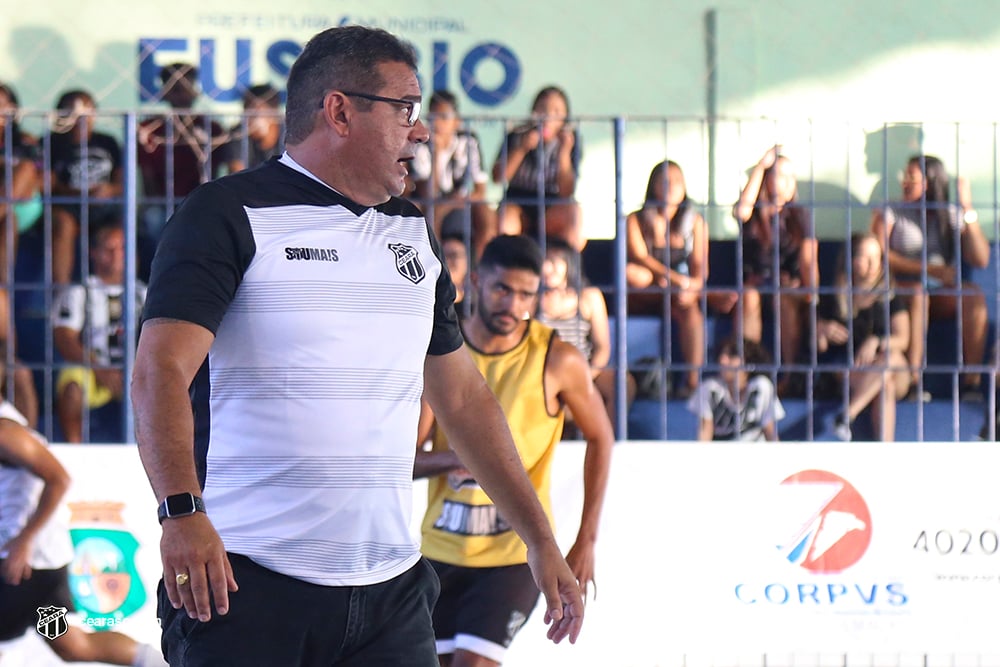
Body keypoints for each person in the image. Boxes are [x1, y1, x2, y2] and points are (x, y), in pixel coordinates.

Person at [130, 26, 584, 666]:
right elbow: (159, 371)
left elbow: (463, 397)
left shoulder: (410, 231)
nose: (420, 131)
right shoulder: (226, 212)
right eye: (406, 110)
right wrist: (179, 515)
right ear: (340, 111)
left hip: (391, 595)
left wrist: (540, 539)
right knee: (64, 636)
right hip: (244, 585)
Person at [414, 234, 613, 666]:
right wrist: (456, 458)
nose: (514, 305)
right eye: (504, 290)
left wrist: (586, 539)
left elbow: (602, 436)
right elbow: (404, 459)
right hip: (439, 551)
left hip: (514, 554)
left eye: (526, 294)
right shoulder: (441, 355)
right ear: (479, 280)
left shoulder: (556, 360)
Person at [0, 385, 166, 666]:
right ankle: (160, 662)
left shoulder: (6, 433)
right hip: (35, 569)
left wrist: (24, 540)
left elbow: (59, 479)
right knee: (70, 644)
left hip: (24, 568)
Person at [870, 154, 990, 401]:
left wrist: (967, 209)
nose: (904, 181)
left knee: (973, 294)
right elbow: (880, 253)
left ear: (930, 182)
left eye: (911, 177)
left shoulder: (949, 213)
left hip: (941, 292)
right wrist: (928, 269)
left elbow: (981, 259)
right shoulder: (891, 210)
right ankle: (915, 381)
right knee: (918, 294)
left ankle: (971, 382)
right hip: (901, 290)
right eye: (904, 176)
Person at [734, 145, 818, 398]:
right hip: (755, 285)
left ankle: (789, 375)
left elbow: (809, 261)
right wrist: (760, 166)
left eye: (791, 177)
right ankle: (749, 372)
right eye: (780, 175)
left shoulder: (800, 215)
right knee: (747, 296)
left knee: (784, 298)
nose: (787, 183)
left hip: (787, 287)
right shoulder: (753, 214)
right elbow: (741, 211)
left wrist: (810, 293)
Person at [625, 160, 715, 397]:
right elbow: (639, 257)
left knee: (691, 310)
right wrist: (673, 280)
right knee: (633, 274)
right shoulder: (635, 219)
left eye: (677, 181)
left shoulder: (695, 222)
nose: (671, 186)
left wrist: (685, 286)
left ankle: (693, 381)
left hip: (678, 293)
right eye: (664, 181)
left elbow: (700, 272)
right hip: (649, 290)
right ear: (653, 185)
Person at [53, 224, 145, 443]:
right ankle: (75, 454)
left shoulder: (144, 293)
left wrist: (134, 369)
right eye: (108, 249)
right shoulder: (79, 291)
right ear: (93, 252)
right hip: (93, 370)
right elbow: (64, 338)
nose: (116, 255)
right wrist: (98, 368)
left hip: (136, 371)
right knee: (72, 387)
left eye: (122, 248)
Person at [816, 233, 912, 442]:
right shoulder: (833, 297)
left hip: (894, 369)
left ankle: (848, 414)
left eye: (876, 257)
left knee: (891, 358)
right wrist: (821, 329)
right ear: (850, 259)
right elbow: (819, 347)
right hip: (852, 371)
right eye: (864, 257)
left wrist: (876, 341)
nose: (871, 264)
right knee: (885, 385)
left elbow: (903, 339)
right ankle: (885, 449)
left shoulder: (890, 297)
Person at [538, 236, 635, 431]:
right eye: (544, 261)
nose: (549, 268)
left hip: (586, 370)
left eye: (555, 261)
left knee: (623, 383)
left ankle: (607, 438)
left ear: (569, 264)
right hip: (544, 372)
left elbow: (602, 347)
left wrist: (586, 376)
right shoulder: (530, 297)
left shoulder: (590, 297)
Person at [137, 63, 227, 244]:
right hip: (163, 206)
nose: (181, 93)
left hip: (201, 203)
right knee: (155, 219)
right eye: (175, 87)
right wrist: (161, 205)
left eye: (187, 86)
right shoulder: (149, 130)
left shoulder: (212, 128)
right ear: (164, 91)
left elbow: (214, 176)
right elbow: (148, 182)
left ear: (195, 90)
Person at [47, 89, 124, 285]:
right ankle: (62, 295)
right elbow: (50, 184)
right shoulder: (51, 143)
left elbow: (122, 183)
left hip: (104, 206)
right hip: (69, 206)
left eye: (87, 110)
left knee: (119, 235)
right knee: (63, 225)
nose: (81, 117)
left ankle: (122, 297)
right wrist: (80, 194)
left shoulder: (108, 142)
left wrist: (109, 190)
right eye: (73, 110)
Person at [492, 86, 583, 250]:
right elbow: (498, 177)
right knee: (504, 222)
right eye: (543, 109)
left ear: (565, 118)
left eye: (556, 111)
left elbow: (567, 191)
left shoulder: (571, 140)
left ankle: (569, 270)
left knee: (574, 214)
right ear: (533, 112)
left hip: (552, 203)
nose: (548, 117)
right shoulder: (517, 134)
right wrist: (521, 149)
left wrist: (564, 153)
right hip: (518, 201)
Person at [409, 90, 496, 260]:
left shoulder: (468, 141)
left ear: (457, 121)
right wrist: (436, 153)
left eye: (444, 117)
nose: (438, 124)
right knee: (432, 212)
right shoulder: (422, 144)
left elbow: (481, 189)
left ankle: (479, 266)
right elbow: (429, 194)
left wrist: (463, 199)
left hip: (461, 198)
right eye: (433, 118)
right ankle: (435, 266)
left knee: (486, 212)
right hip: (433, 201)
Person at [687, 337, 784, 441]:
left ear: (748, 362)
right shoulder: (709, 389)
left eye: (731, 355)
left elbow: (770, 432)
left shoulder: (761, 387)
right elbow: (705, 432)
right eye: (721, 355)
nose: (722, 360)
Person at [215, 83, 285, 175]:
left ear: (273, 112)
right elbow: (237, 175)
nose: (248, 119)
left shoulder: (291, 134)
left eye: (254, 113)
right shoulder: (239, 133)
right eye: (245, 110)